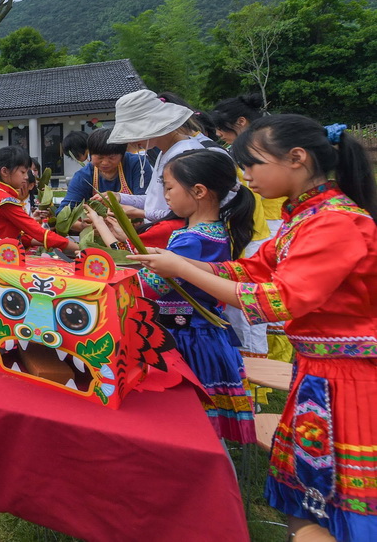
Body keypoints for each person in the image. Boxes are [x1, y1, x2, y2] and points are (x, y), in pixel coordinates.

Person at [129, 117, 377, 542]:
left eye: (253, 164)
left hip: (348, 382)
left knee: (339, 505)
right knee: (308, 502)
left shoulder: (335, 223)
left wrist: (180, 267)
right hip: (319, 374)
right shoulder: (307, 217)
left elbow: (276, 300)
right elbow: (250, 270)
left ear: (296, 159)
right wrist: (184, 266)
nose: (246, 177)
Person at [88, 149, 256, 444]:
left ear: (199, 191)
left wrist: (108, 246)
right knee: (198, 427)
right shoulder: (211, 231)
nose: (164, 195)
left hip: (185, 339)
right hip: (198, 334)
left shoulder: (192, 239)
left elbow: (146, 286)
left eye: (168, 187)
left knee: (188, 425)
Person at [209, 93, 288, 360]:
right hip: (257, 227)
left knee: (256, 299)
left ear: (241, 122)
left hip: (266, 225)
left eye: (223, 128)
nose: (220, 134)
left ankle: (264, 367)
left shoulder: (261, 147)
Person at [107, 89, 229, 233]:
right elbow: (156, 201)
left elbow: (186, 212)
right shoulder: (165, 152)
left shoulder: (185, 155)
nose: (131, 140)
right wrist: (120, 198)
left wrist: (139, 212)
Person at [0, 146, 78, 254]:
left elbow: (19, 236)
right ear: (5, 171)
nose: (26, 177)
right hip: (3, 256)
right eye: (23, 172)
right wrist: (77, 247)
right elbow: (37, 232)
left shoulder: (0, 195)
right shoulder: (5, 200)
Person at [56, 128, 152, 213]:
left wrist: (119, 197)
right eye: (99, 157)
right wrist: (83, 226)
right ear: (90, 154)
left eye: (112, 157)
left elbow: (150, 202)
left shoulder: (137, 164)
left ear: (122, 155)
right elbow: (63, 212)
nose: (105, 163)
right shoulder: (84, 176)